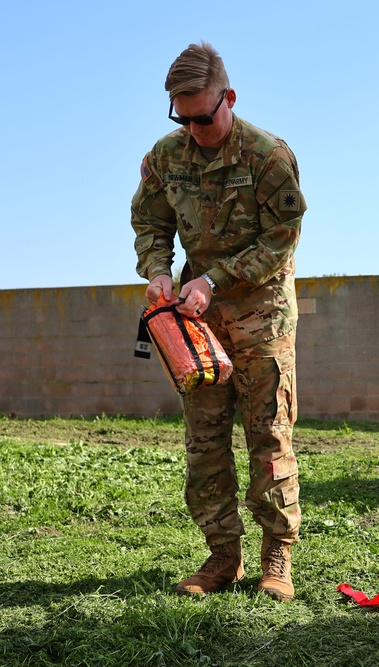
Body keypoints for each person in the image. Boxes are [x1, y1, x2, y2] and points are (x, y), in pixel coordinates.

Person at [131, 41, 306, 602]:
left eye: (203, 117)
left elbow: (282, 238)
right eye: (181, 118)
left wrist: (214, 280)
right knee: (205, 441)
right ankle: (221, 557)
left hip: (261, 315)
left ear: (228, 98)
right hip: (195, 323)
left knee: (267, 435)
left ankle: (276, 554)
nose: (193, 129)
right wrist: (158, 271)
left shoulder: (267, 156)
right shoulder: (166, 157)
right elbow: (150, 224)